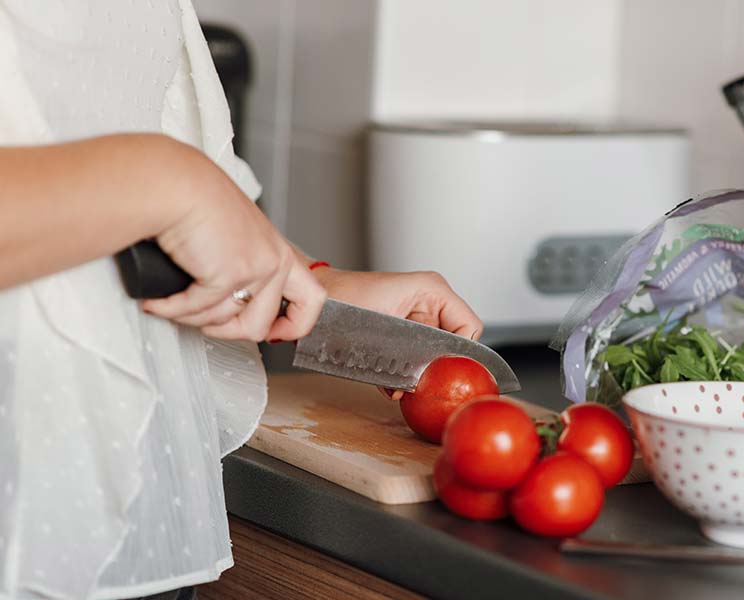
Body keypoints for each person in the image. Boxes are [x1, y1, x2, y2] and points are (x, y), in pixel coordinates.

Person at [0, 2, 482, 598]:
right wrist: (169, 180)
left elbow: (100, 136)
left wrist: (307, 282)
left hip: (135, 496)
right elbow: (155, 182)